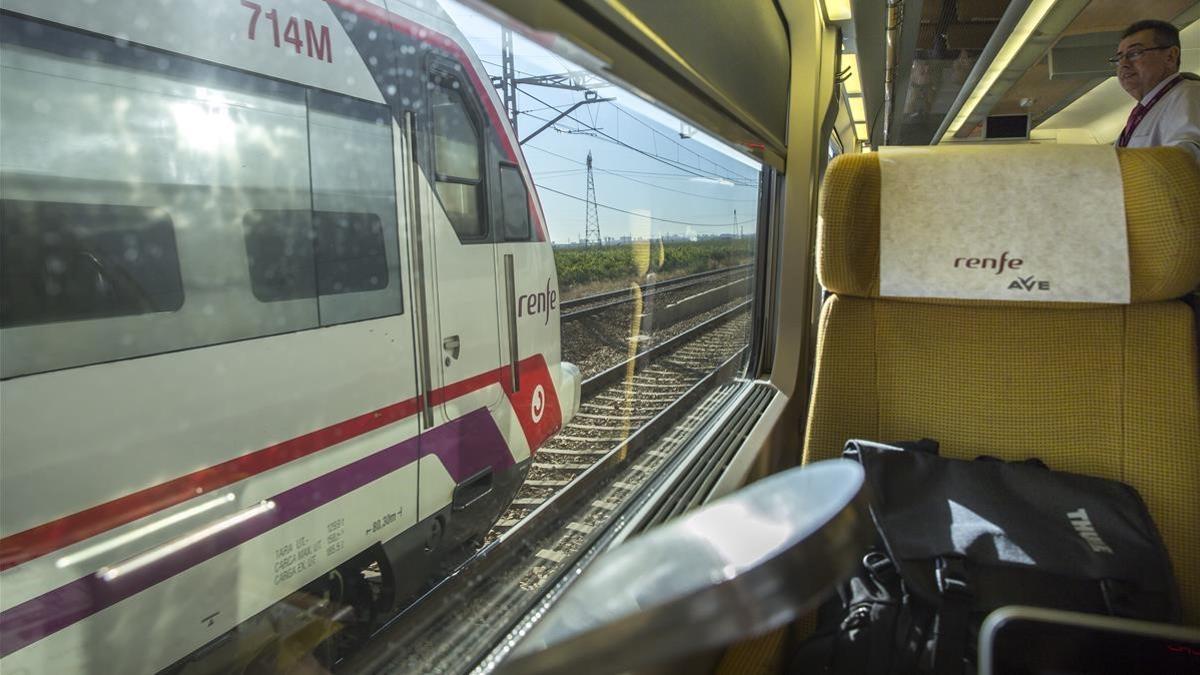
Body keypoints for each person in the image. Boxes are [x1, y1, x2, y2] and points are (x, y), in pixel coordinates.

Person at [1112, 19, 1200, 164]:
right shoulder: (1146, 109)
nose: (1123, 64)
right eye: (1119, 58)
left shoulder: (1188, 95)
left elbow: (1185, 161)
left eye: (1135, 53)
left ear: (1170, 56)